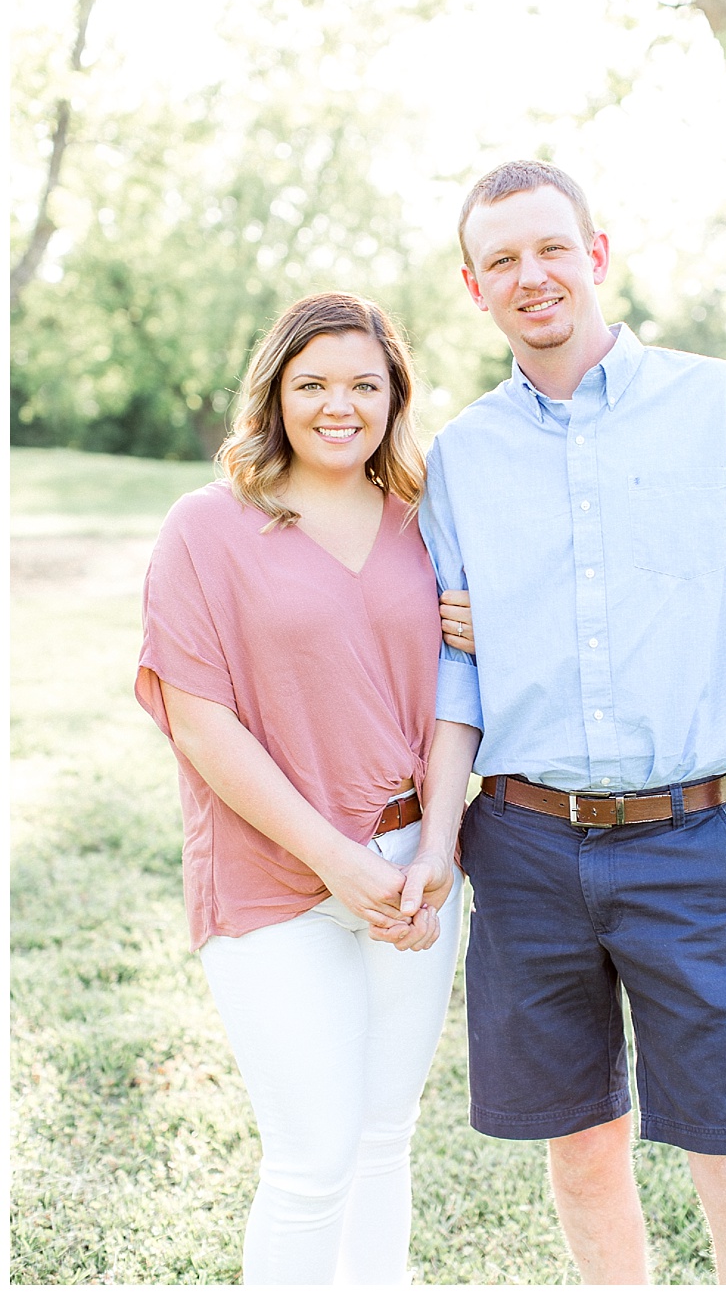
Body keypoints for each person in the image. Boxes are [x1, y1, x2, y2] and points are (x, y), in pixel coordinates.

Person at [416, 159, 726, 1284]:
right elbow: (458, 675)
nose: (530, 274)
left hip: (693, 840)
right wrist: (444, 843)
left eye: (551, 247)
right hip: (524, 844)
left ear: (596, 255)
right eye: (501, 259)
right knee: (583, 1151)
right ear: (474, 286)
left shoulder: (720, 404)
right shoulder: (457, 457)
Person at [135, 292, 465, 1283]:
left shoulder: (429, 523)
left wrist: (438, 850)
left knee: (383, 1138)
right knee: (314, 1156)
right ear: (273, 392)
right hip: (271, 876)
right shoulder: (206, 526)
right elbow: (198, 719)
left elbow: (461, 693)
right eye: (311, 382)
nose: (338, 404)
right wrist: (338, 863)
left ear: (395, 395)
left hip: (421, 873)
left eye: (364, 383)